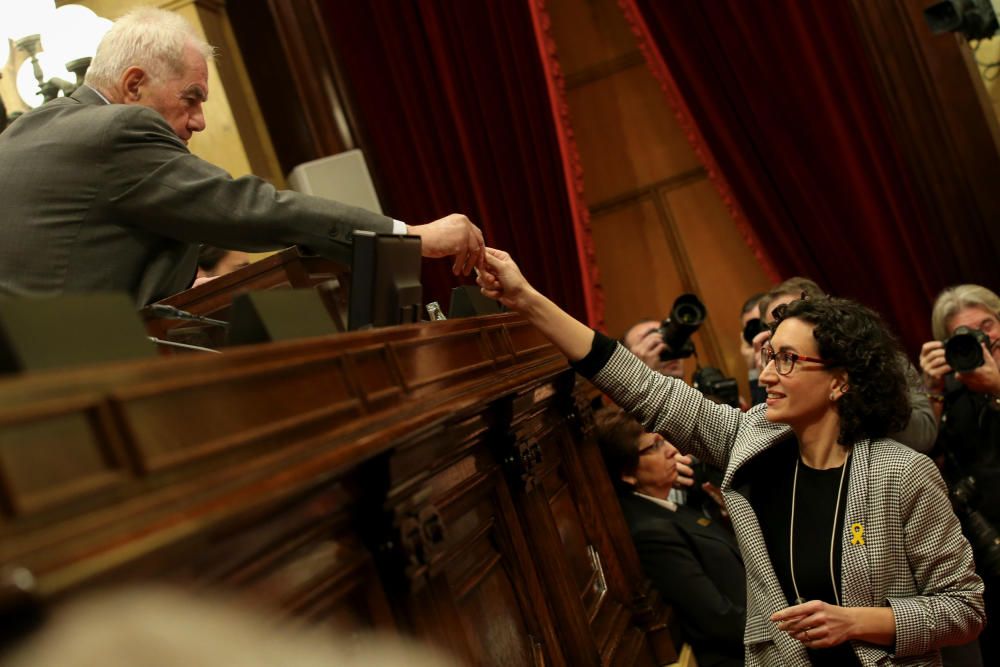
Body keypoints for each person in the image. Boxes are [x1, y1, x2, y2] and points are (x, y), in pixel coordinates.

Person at [476, 248, 984, 666]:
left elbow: (964, 607)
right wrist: (525, 298)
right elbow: (637, 384)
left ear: (840, 380)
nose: (766, 377)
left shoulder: (902, 473)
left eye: (788, 360)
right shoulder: (749, 440)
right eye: (769, 358)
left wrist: (860, 621)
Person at [0, 8, 484, 307]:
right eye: (191, 98)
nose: (200, 120)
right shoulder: (118, 129)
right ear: (133, 85)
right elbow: (251, 208)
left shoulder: (26, 131)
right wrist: (408, 235)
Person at [595, 406, 746, 667]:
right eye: (654, 446)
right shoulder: (650, 531)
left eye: (665, 440)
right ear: (627, 473)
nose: (672, 451)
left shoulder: (662, 505)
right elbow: (717, 618)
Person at [753, 277, 937, 454]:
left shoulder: (880, 359)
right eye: (777, 323)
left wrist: (863, 394)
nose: (788, 326)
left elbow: (924, 436)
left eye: (801, 313)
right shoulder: (770, 374)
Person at [920, 284, 1000, 665]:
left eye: (988, 324)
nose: (985, 338)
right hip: (985, 553)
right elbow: (923, 455)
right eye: (965, 335)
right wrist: (931, 391)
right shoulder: (954, 392)